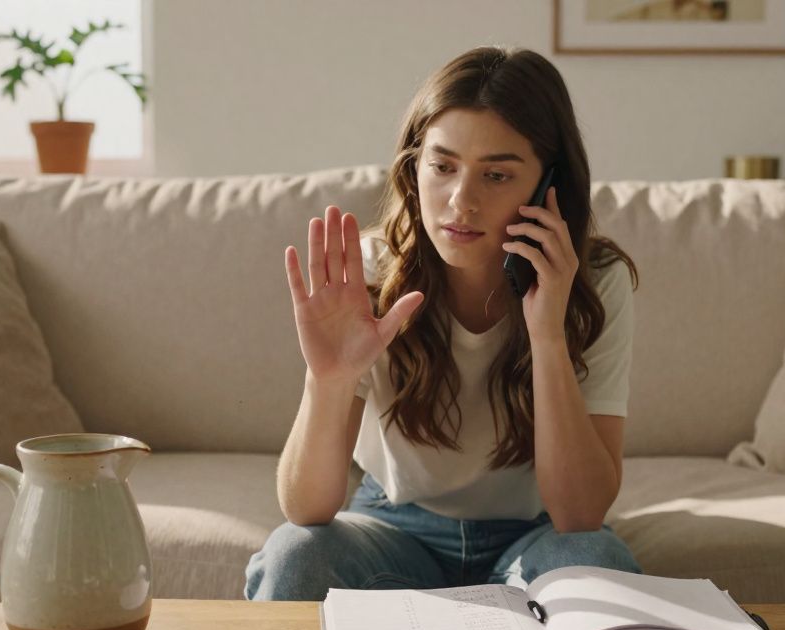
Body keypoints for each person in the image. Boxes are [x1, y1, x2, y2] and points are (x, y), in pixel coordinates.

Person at [245, 46, 642, 601]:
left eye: (497, 174)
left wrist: (548, 336)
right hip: (393, 525)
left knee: (597, 559)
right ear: (414, 168)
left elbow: (580, 514)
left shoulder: (595, 281)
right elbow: (305, 509)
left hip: (535, 533)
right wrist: (329, 379)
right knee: (295, 556)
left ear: (548, 185)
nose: (462, 200)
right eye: (443, 166)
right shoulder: (371, 270)